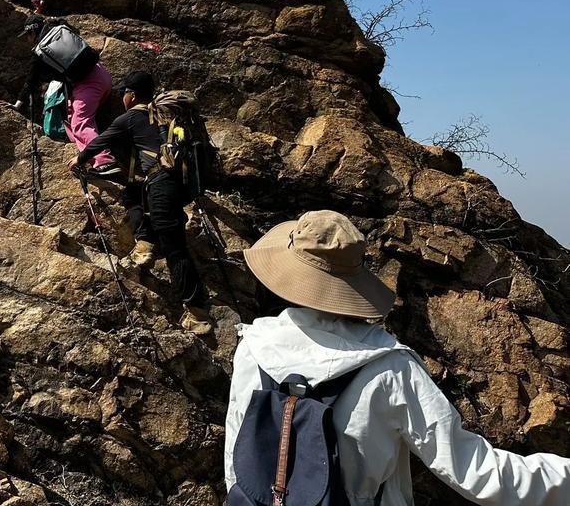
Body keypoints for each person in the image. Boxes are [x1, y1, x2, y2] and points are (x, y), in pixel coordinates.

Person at [225, 210, 570, 505]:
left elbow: (236, 457)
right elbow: (475, 470)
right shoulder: (391, 369)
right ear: (354, 282)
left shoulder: (254, 347)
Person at [68, 70, 213, 335]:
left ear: (131, 95)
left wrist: (79, 159)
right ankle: (145, 243)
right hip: (182, 183)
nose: (123, 98)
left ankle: (198, 313)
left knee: (175, 248)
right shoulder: (164, 116)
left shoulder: (130, 118)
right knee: (133, 194)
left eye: (124, 93)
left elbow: (100, 142)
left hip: (161, 183)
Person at [13, 14, 118, 174]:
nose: (27, 40)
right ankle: (91, 159)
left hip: (87, 86)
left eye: (27, 35)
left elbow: (31, 82)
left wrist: (17, 105)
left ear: (33, 32)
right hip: (101, 74)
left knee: (80, 124)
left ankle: (105, 161)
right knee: (78, 120)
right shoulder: (61, 29)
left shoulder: (40, 53)